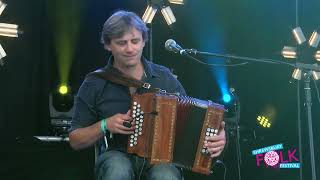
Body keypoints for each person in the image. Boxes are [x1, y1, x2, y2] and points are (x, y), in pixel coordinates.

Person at [68, 10, 226, 180]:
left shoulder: (164, 77)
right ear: (108, 45)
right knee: (117, 168)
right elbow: (75, 140)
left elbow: (192, 123)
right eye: (121, 43)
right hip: (116, 154)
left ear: (144, 41)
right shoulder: (95, 82)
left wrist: (215, 137)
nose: (130, 49)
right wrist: (105, 125)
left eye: (135, 41)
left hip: (161, 159)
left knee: (165, 174)